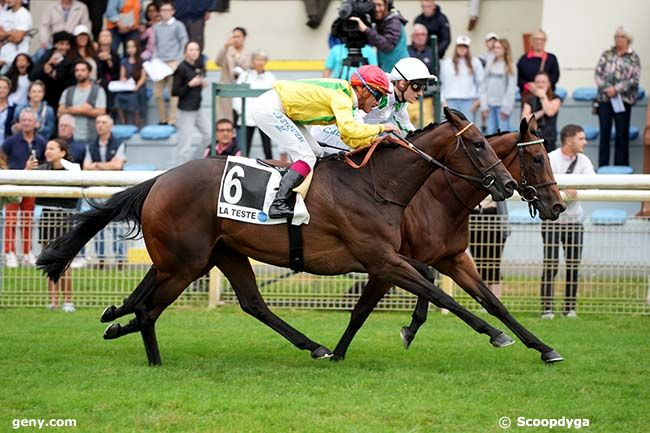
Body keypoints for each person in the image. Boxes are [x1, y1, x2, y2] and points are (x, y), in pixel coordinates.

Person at [251, 65, 399, 218]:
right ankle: (278, 203)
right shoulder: (342, 97)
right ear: (364, 90)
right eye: (379, 96)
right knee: (306, 157)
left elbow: (347, 137)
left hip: (282, 110)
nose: (378, 103)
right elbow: (349, 130)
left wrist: (374, 141)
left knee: (315, 152)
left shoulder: (346, 97)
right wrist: (381, 128)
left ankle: (298, 196)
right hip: (270, 108)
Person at [540, 125, 594, 319]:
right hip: (552, 220)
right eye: (581, 138)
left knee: (573, 265)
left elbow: (591, 183)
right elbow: (544, 183)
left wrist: (567, 188)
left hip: (574, 221)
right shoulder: (551, 158)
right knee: (551, 265)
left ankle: (569, 308)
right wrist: (565, 189)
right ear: (569, 140)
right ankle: (547, 308)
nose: (585, 142)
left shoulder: (584, 161)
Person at [27, 138, 80, 312]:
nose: (47, 151)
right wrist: (27, 170)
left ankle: (68, 301)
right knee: (49, 260)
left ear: (62, 152)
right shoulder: (41, 169)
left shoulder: (73, 169)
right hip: (47, 216)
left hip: (66, 217)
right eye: (46, 148)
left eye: (52, 148)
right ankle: (53, 301)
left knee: (64, 262)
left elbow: (77, 190)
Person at [0, 108, 46, 268]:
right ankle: (9, 252)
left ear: (35, 123)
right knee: (11, 220)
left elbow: (45, 162)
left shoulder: (41, 141)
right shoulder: (10, 141)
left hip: (31, 186)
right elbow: (2, 159)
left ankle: (27, 253)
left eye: (29, 120)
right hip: (13, 186)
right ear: (19, 123)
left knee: (28, 220)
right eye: (24, 120)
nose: (26, 123)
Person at [595, 26, 641, 168]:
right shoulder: (607, 54)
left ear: (628, 40)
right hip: (605, 100)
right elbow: (598, 73)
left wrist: (617, 89)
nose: (618, 39)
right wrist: (608, 89)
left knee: (622, 135)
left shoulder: (633, 57)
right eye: (617, 36)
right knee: (605, 134)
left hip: (623, 100)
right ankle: (603, 167)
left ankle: (621, 168)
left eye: (622, 37)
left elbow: (634, 79)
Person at [83, 114, 126, 266]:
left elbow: (118, 166)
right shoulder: (91, 145)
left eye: (103, 122)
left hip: (114, 191)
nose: (100, 125)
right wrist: (107, 165)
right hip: (96, 190)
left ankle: (121, 258)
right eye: (98, 122)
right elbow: (86, 167)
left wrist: (97, 165)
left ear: (110, 126)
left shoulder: (119, 143)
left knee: (117, 226)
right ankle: (100, 259)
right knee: (97, 226)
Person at [172, 41, 211, 163]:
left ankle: (194, 162)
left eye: (196, 49)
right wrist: (190, 85)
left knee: (210, 135)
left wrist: (202, 83)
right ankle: (180, 174)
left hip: (197, 108)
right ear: (185, 53)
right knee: (184, 145)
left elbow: (199, 81)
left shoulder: (198, 66)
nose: (194, 52)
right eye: (191, 50)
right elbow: (175, 92)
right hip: (185, 110)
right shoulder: (181, 68)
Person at [233, 50, 276, 158]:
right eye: (257, 59)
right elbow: (237, 95)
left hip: (265, 116)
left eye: (262, 60)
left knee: (267, 148)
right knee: (245, 148)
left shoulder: (270, 77)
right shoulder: (245, 76)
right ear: (252, 61)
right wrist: (241, 111)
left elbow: (274, 96)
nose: (260, 62)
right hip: (247, 116)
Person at [153, 0, 188, 126]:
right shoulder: (156, 27)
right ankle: (163, 119)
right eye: (163, 10)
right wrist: (154, 60)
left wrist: (178, 60)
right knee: (157, 93)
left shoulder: (178, 25)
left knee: (173, 92)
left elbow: (184, 42)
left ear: (173, 12)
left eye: (168, 10)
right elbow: (155, 45)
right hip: (160, 63)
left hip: (174, 62)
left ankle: (172, 120)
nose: (165, 13)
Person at [349, 0, 408, 73]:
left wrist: (365, 29)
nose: (376, 9)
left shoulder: (394, 22)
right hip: (388, 70)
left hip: (398, 73)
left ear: (387, 5)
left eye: (379, 5)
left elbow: (387, 45)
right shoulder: (380, 22)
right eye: (373, 5)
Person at [57, 60, 107, 146]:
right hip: (69, 139)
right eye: (77, 70)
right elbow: (60, 112)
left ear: (89, 73)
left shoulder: (98, 90)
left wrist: (70, 109)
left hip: (91, 137)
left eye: (83, 70)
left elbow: (101, 112)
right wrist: (83, 110)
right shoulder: (68, 91)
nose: (79, 73)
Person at [469, 198, 508, 299]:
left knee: (494, 262)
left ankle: (495, 298)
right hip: (475, 217)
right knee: (479, 263)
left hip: (493, 217)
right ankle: (485, 298)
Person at [29, 31, 76, 111]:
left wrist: (52, 73)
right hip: (46, 97)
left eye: (67, 44)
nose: (64, 47)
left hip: (63, 99)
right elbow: (32, 75)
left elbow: (67, 80)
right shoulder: (48, 54)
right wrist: (47, 65)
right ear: (55, 44)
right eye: (61, 44)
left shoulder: (72, 57)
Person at [440, 35, 483, 122]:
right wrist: (443, 101)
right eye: (460, 46)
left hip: (468, 101)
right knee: (450, 129)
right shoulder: (447, 63)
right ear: (456, 47)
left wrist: (479, 100)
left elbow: (481, 83)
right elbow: (443, 84)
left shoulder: (475, 62)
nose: (462, 49)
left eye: (465, 47)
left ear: (468, 48)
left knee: (467, 130)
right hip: (450, 101)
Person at [479, 38, 516, 134]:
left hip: (502, 108)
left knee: (503, 135)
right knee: (491, 134)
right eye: (495, 47)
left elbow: (511, 89)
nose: (495, 50)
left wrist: (506, 108)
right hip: (490, 106)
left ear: (505, 50)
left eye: (499, 48)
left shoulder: (510, 66)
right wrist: (484, 106)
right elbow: (483, 86)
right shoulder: (490, 64)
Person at [215, 27, 251, 122]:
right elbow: (218, 62)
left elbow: (247, 68)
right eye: (234, 37)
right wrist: (225, 46)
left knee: (240, 119)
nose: (236, 39)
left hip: (240, 90)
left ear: (244, 37)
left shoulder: (248, 54)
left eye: (238, 36)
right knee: (225, 120)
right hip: (227, 88)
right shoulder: (227, 50)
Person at [521, 71, 562, 153]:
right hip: (532, 139)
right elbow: (525, 119)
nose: (540, 84)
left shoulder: (556, 98)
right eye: (538, 82)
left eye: (543, 82)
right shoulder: (529, 99)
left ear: (549, 84)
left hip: (549, 140)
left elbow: (550, 112)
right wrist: (542, 111)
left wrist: (543, 97)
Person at [516, 29, 560, 102]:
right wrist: (528, 86)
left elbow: (555, 76)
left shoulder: (551, 58)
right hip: (529, 97)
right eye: (536, 39)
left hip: (547, 96)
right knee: (530, 114)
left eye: (542, 39)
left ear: (545, 41)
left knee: (544, 113)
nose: (539, 41)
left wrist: (543, 85)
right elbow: (518, 78)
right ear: (532, 41)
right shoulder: (524, 59)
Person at [115, 39, 147, 127]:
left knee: (137, 96)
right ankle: (123, 121)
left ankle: (138, 121)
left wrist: (136, 86)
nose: (131, 49)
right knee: (118, 97)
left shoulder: (142, 61)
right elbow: (122, 76)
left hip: (138, 86)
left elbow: (143, 77)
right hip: (128, 86)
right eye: (128, 47)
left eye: (133, 46)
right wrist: (123, 79)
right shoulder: (124, 61)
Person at [0, 0, 32, 73]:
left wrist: (4, 34)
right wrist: (10, 33)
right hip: (3, 59)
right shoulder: (5, 14)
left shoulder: (24, 15)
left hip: (17, 60)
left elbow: (18, 38)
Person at [95, 29, 120, 116]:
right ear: (98, 39)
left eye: (108, 35)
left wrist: (109, 61)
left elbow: (117, 73)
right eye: (103, 36)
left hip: (111, 85)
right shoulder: (94, 53)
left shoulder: (115, 55)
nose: (106, 37)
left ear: (112, 39)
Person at [0, 76, 17, 144]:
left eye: (5, 88)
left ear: (9, 89)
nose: (1, 90)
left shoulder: (14, 108)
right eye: (0, 87)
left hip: (6, 146)